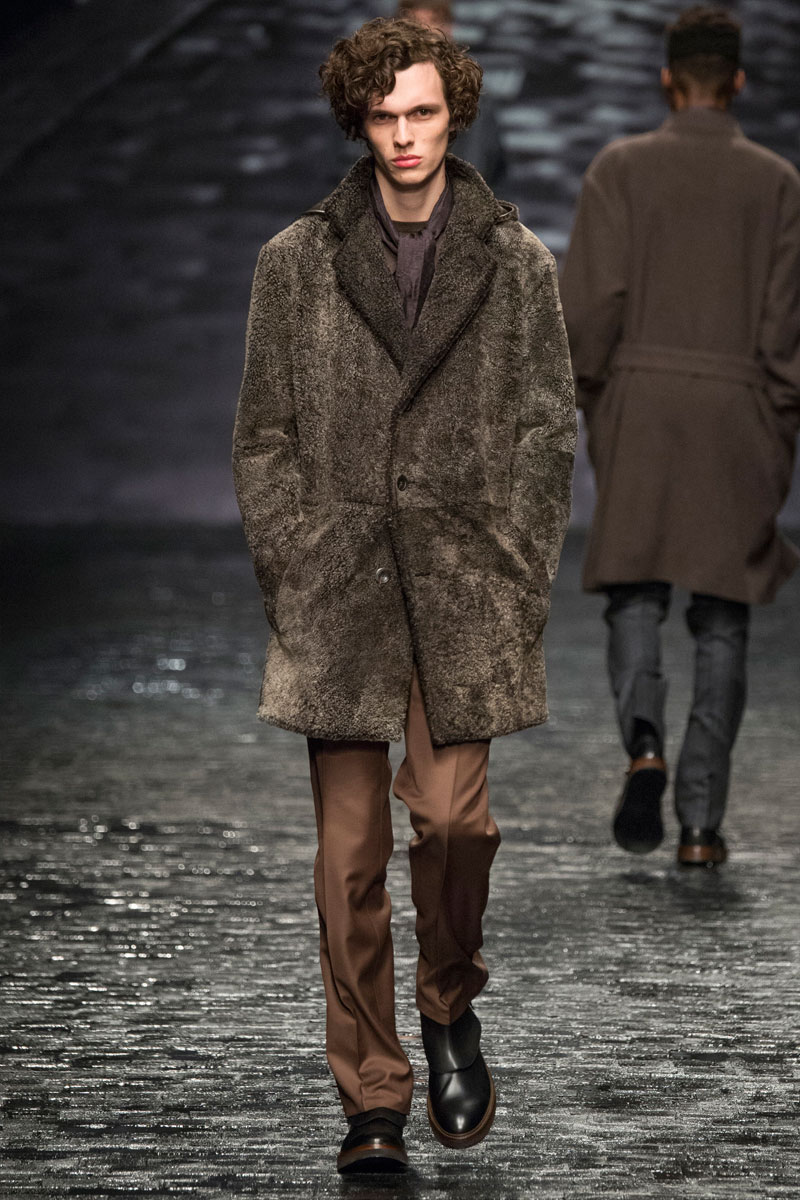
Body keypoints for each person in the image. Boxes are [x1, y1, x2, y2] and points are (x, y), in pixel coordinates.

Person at [233, 16, 575, 1174]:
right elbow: (262, 436)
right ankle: (372, 1096)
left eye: (421, 111)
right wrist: (294, 562)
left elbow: (544, 433)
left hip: (463, 589)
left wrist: (513, 567)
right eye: (382, 116)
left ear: (453, 112)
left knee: (453, 824)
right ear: (357, 122)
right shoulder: (295, 261)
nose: (404, 135)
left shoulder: (516, 263)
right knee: (347, 862)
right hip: (339, 595)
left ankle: (447, 998)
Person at [560, 6, 800, 867]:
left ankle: (645, 745)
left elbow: (593, 307)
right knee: (722, 614)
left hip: (643, 402)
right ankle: (700, 827)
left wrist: (595, 397)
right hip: (737, 412)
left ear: (668, 80)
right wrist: (778, 420)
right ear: (738, 81)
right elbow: (784, 329)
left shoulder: (620, 168)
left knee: (634, 593)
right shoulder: (778, 183)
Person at [397, 0, 507, 189]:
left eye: (434, 21)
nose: (425, 33)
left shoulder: (476, 101)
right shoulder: (370, 96)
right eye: (414, 23)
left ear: (450, 28)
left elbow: (482, 173)